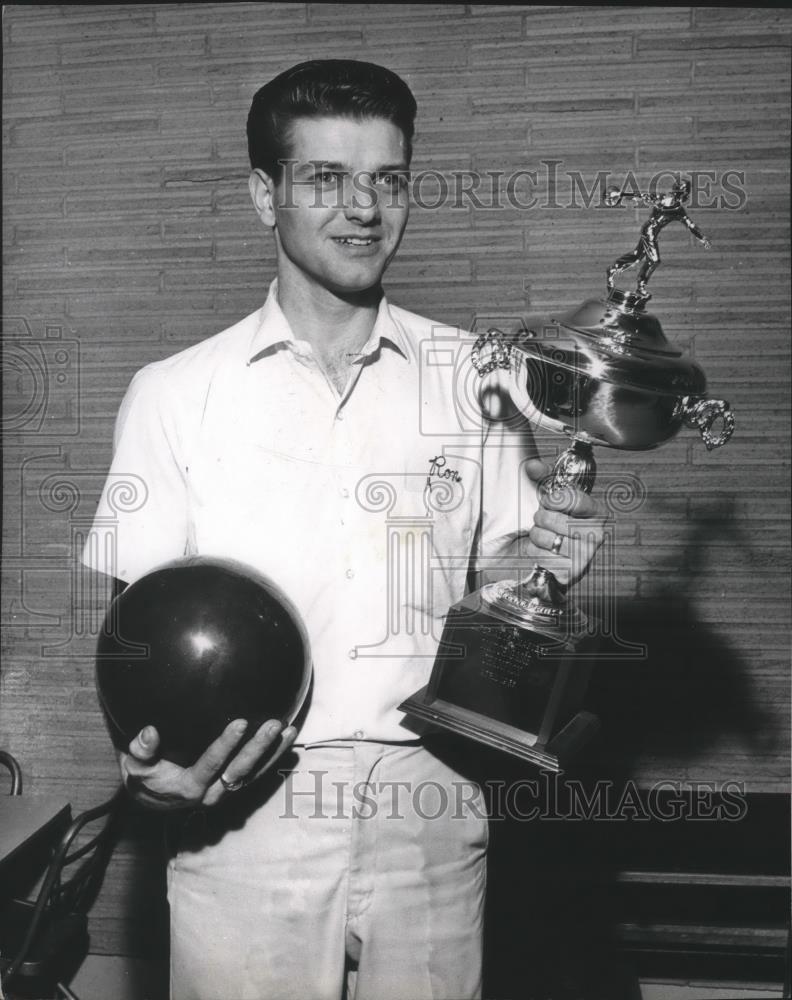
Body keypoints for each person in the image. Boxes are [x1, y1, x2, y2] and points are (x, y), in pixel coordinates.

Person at [84, 60, 604, 1000]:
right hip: (245, 808)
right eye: (326, 177)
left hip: (433, 799)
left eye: (389, 179)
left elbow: (504, 585)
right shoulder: (173, 393)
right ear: (264, 194)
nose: (363, 207)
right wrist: (144, 767)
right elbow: (135, 633)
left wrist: (548, 560)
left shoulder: (477, 379)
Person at [606, 179, 712, 299]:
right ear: (681, 193)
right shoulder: (668, 203)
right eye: (685, 193)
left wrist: (702, 238)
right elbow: (641, 195)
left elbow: (691, 226)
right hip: (649, 232)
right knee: (654, 260)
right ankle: (640, 287)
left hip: (651, 233)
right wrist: (621, 195)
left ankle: (613, 269)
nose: (686, 196)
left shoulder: (677, 209)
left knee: (637, 256)